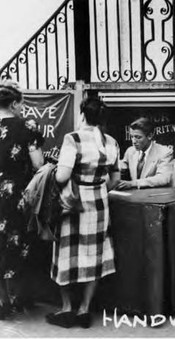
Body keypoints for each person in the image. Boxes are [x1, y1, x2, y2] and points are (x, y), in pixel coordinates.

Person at [47, 97, 120, 328]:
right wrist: (97, 188)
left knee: (66, 253)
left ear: (82, 115)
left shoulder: (73, 138)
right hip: (99, 203)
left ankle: (67, 308)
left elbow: (61, 177)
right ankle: (85, 309)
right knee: (94, 254)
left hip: (73, 204)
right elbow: (116, 178)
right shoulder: (111, 142)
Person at [0, 80, 44, 319]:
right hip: (17, 193)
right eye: (21, 104)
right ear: (15, 103)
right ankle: (21, 298)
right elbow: (38, 164)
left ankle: (2, 302)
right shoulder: (27, 125)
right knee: (20, 242)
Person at [115, 117, 175, 190]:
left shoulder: (165, 152)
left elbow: (163, 178)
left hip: (155, 197)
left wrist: (134, 183)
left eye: (138, 137)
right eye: (132, 137)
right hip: (135, 196)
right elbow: (122, 167)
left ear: (150, 136)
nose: (134, 141)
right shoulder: (130, 151)